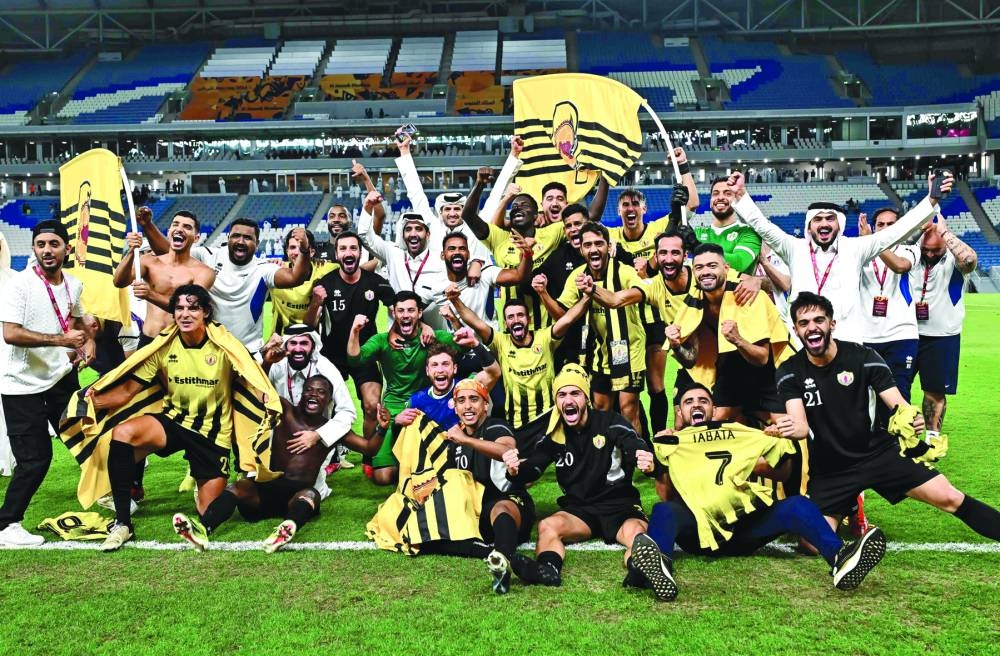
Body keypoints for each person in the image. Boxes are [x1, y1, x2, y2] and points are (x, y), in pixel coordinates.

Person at [773, 292, 1000, 543]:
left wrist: (910, 418)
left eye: (819, 320)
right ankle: (850, 503)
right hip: (831, 469)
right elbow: (801, 425)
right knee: (812, 544)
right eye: (804, 323)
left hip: (879, 454)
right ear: (795, 329)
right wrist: (791, 428)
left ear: (832, 324)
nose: (812, 328)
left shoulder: (864, 358)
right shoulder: (789, 371)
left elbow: (897, 404)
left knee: (950, 497)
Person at [78, 284, 282, 551]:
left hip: (212, 435)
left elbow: (251, 376)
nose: (185, 314)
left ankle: (208, 487)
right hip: (173, 421)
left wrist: (267, 366)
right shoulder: (164, 345)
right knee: (123, 434)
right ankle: (123, 523)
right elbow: (128, 391)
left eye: (193, 308)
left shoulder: (225, 346)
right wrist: (91, 400)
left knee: (208, 509)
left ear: (206, 312)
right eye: (179, 308)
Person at [638, 383, 886, 601]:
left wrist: (774, 439)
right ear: (680, 412)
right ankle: (658, 567)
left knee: (796, 505)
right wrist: (659, 463)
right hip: (700, 533)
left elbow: (783, 474)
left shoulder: (737, 432)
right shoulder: (672, 441)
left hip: (743, 528)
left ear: (713, 409)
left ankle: (840, 558)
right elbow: (666, 496)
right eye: (689, 401)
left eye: (703, 400)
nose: (696, 405)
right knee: (663, 510)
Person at [730, 170, 953, 343]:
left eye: (830, 219)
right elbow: (763, 226)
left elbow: (897, 231)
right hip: (801, 337)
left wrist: (931, 200)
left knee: (850, 398)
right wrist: (741, 196)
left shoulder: (855, 248)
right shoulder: (794, 248)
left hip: (845, 336)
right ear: (809, 227)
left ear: (840, 224)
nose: (824, 224)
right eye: (818, 220)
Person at [172, 375, 388, 553]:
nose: (314, 394)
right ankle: (203, 528)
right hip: (266, 490)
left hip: (296, 498)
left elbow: (368, 448)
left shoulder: (331, 429)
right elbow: (257, 388)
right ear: (302, 394)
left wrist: (382, 428)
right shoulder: (285, 411)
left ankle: (287, 528)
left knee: (311, 494)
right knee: (238, 486)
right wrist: (266, 361)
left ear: (329, 400)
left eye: (321, 392)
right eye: (310, 390)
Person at [502, 365, 656, 589]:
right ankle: (547, 569)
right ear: (557, 402)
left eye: (575, 393)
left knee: (638, 535)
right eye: (562, 395)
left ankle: (638, 571)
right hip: (580, 510)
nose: (568, 400)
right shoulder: (555, 435)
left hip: (619, 506)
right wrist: (515, 470)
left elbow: (632, 443)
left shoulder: (610, 421)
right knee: (548, 526)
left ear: (587, 397)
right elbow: (533, 468)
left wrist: (643, 457)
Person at [0, 220, 93, 547]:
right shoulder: (20, 286)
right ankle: (6, 525)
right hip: (21, 386)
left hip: (61, 380)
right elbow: (10, 333)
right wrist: (61, 340)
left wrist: (89, 342)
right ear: (34, 249)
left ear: (67, 248)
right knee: (35, 459)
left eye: (54, 244)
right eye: (41, 244)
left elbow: (83, 319)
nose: (47, 250)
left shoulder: (73, 283)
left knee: (86, 440)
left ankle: (113, 497)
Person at [347, 290, 476, 485]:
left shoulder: (432, 337)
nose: (406, 315)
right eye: (401, 311)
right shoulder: (382, 341)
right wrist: (355, 330)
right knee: (383, 477)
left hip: (424, 406)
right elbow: (355, 360)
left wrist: (453, 320)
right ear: (394, 313)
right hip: (394, 408)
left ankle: (415, 465)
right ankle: (404, 463)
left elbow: (463, 344)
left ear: (419, 313)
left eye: (410, 310)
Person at [140, 218, 312, 356]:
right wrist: (148, 225)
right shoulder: (208, 256)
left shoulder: (263, 268)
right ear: (228, 237)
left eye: (248, 238)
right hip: (209, 348)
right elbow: (168, 253)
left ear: (257, 243)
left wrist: (304, 251)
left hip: (247, 351)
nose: (241, 241)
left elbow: (296, 277)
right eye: (236, 236)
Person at [665, 243, 791, 425]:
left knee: (782, 425)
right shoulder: (694, 302)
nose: (705, 272)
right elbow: (690, 360)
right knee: (713, 421)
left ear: (726, 268)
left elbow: (762, 358)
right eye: (699, 267)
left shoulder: (749, 294)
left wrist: (737, 339)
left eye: (712, 266)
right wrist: (676, 346)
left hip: (767, 371)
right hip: (729, 368)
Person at [448, 290, 591, 446]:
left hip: (548, 418)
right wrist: (455, 300)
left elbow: (568, 318)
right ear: (505, 323)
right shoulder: (501, 342)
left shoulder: (544, 338)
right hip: (517, 423)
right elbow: (474, 321)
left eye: (520, 315)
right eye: (510, 317)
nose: (516, 320)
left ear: (528, 320)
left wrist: (588, 295)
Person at [552, 222, 649, 435]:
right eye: (588, 245)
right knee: (600, 410)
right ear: (581, 249)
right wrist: (542, 293)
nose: (593, 249)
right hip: (598, 354)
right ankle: (606, 459)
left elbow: (620, 299)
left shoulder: (624, 272)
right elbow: (561, 315)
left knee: (628, 410)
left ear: (608, 246)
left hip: (629, 351)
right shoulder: (578, 276)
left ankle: (632, 459)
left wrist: (592, 290)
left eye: (599, 243)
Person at [445, 378, 536, 594]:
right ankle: (488, 551)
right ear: (455, 408)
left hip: (511, 504)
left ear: (485, 405)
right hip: (476, 512)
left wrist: (466, 441)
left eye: (474, 400)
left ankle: (502, 560)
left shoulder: (495, 426)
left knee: (500, 507)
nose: (468, 406)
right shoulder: (453, 442)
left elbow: (507, 450)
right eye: (461, 401)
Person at [307, 230, 395, 442]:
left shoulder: (375, 282)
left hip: (365, 353)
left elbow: (397, 310)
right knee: (324, 405)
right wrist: (316, 302)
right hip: (332, 355)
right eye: (343, 248)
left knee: (372, 405)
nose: (349, 252)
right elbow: (309, 325)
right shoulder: (325, 284)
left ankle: (370, 455)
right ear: (336, 255)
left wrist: (393, 334)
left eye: (353, 248)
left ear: (360, 253)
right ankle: (332, 454)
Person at [533, 203, 635, 369]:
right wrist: (540, 286)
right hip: (575, 343)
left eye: (578, 224)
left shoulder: (615, 254)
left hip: (618, 338)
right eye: (568, 226)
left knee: (624, 391)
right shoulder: (559, 258)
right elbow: (560, 312)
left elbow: (638, 277)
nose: (573, 229)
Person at [260, 323, 358, 482]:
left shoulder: (326, 368)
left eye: (304, 343)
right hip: (276, 434)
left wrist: (317, 435)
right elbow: (254, 393)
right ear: (286, 345)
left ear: (313, 346)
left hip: (312, 438)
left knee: (307, 488)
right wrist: (267, 363)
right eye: (293, 343)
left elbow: (347, 411)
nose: (298, 349)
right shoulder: (275, 363)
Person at [910, 216, 978, 432]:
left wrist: (945, 233)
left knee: (935, 391)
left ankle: (932, 439)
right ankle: (893, 441)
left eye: (935, 250)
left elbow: (969, 260)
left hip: (942, 336)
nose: (929, 254)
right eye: (926, 249)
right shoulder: (911, 256)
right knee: (895, 387)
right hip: (905, 333)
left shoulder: (953, 261)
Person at [114, 208, 216, 349]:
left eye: (187, 227)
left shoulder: (203, 272)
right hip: (148, 338)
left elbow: (190, 308)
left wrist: (150, 294)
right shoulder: (149, 261)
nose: (179, 229)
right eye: (175, 224)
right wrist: (131, 251)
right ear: (168, 232)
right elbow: (119, 281)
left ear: (196, 237)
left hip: (179, 341)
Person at [856, 209, 921, 425]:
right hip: (866, 335)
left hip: (901, 335)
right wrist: (868, 244)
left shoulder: (910, 250)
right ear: (874, 227)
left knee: (900, 395)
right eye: (881, 225)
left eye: (891, 224)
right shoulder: (861, 253)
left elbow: (900, 266)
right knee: (864, 398)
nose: (886, 229)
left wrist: (873, 241)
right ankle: (872, 449)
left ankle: (901, 451)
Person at [356, 191, 452, 330]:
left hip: (434, 337)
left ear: (428, 234)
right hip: (398, 339)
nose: (413, 234)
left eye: (418, 229)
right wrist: (367, 207)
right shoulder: (394, 254)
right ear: (403, 234)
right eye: (408, 229)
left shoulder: (440, 260)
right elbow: (365, 237)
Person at [396, 341, 499, 434]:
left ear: (454, 368)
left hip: (466, 451)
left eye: (445, 364)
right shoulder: (416, 401)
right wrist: (396, 423)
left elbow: (494, 373)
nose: (440, 370)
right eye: (434, 365)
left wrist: (475, 344)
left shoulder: (466, 386)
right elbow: (402, 438)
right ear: (427, 370)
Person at [269, 228, 336, 335]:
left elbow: (357, 270)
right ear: (287, 251)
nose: (296, 252)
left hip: (312, 342)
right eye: (292, 247)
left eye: (301, 247)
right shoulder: (275, 270)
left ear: (312, 252)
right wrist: (270, 263)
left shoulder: (325, 269)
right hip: (280, 342)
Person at [693, 177, 762, 275]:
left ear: (736, 200)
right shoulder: (697, 232)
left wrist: (697, 247)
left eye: (728, 193)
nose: (720, 197)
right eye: (715, 193)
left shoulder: (749, 232)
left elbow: (739, 263)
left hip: (735, 290)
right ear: (710, 202)